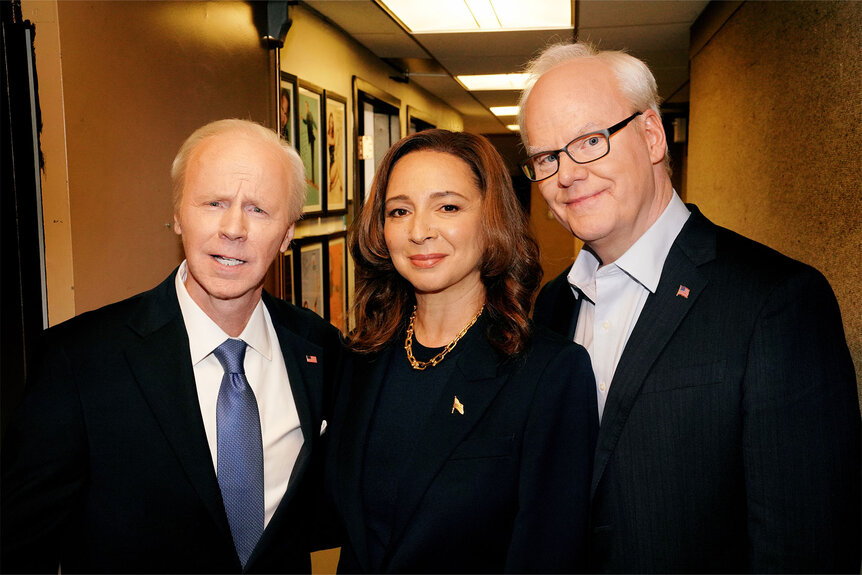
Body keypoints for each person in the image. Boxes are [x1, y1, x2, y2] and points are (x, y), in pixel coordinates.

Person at [518, 41, 861, 572]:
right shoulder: (552, 305)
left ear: (652, 135)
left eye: (589, 141)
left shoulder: (777, 302)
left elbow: (807, 547)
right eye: (546, 157)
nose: (567, 174)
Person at [1, 119, 343, 573]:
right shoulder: (79, 361)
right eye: (214, 202)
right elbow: (19, 551)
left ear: (286, 235)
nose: (233, 227)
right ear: (179, 215)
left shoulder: (319, 350)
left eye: (259, 209)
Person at [325, 129, 598, 573]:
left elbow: (550, 555)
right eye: (399, 211)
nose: (418, 231)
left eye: (447, 207)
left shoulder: (548, 373)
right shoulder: (361, 358)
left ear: (491, 220)